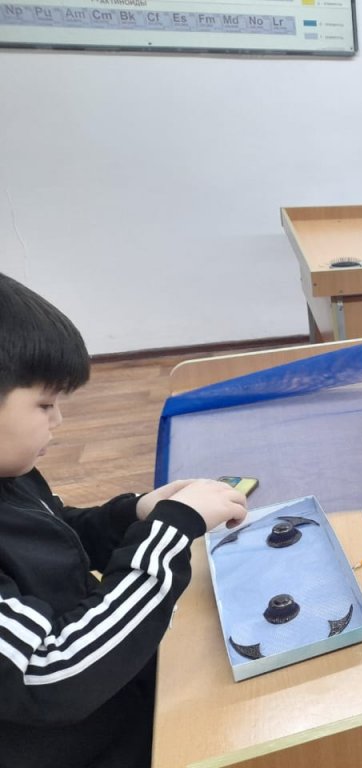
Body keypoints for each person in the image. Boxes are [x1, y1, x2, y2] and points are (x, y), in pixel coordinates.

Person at [0, 272, 248, 768]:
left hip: (117, 697)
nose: (58, 420)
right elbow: (50, 673)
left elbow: (54, 534)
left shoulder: (11, 476)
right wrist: (169, 534)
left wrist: (135, 513)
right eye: (44, 404)